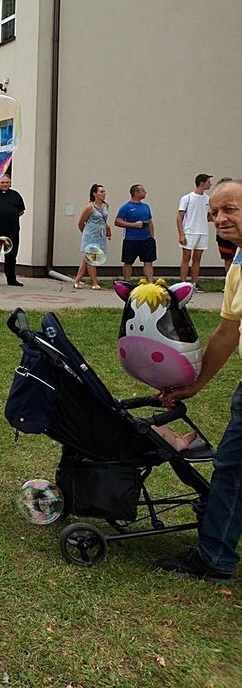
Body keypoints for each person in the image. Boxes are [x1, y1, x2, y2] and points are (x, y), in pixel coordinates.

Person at [155, 179, 242, 582]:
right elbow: (228, 331)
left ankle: (214, 557)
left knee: (235, 466)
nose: (220, 219)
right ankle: (214, 555)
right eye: (215, 212)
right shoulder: (238, 262)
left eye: (231, 209)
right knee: (233, 465)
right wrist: (195, 383)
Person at [0, 173, 25, 287]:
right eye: (2, 182)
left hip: (12, 230)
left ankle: (11, 279)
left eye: (7, 182)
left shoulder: (16, 195)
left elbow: (21, 211)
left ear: (10, 183)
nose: (5, 184)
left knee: (11, 255)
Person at [177, 173, 214, 291]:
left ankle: (194, 283)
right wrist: (181, 234)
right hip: (189, 231)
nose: (210, 184)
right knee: (186, 257)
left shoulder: (208, 199)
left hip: (202, 232)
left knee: (197, 258)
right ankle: (182, 284)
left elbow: (208, 216)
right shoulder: (187, 198)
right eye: (208, 182)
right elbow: (179, 217)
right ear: (202, 183)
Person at [73, 184, 112, 290]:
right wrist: (86, 233)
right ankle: (94, 282)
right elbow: (81, 223)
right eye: (101, 192)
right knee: (92, 258)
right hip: (90, 234)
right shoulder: (89, 207)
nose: (104, 194)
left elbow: (104, 219)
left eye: (104, 191)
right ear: (95, 193)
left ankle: (77, 280)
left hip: (100, 234)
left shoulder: (105, 205)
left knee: (87, 259)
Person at [115, 183, 155, 281]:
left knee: (148, 262)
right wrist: (133, 225)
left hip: (146, 239)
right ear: (136, 193)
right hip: (131, 240)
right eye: (143, 191)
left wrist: (152, 236)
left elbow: (150, 221)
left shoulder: (146, 206)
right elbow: (117, 221)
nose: (145, 192)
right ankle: (127, 282)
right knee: (128, 262)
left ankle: (150, 283)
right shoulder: (126, 207)